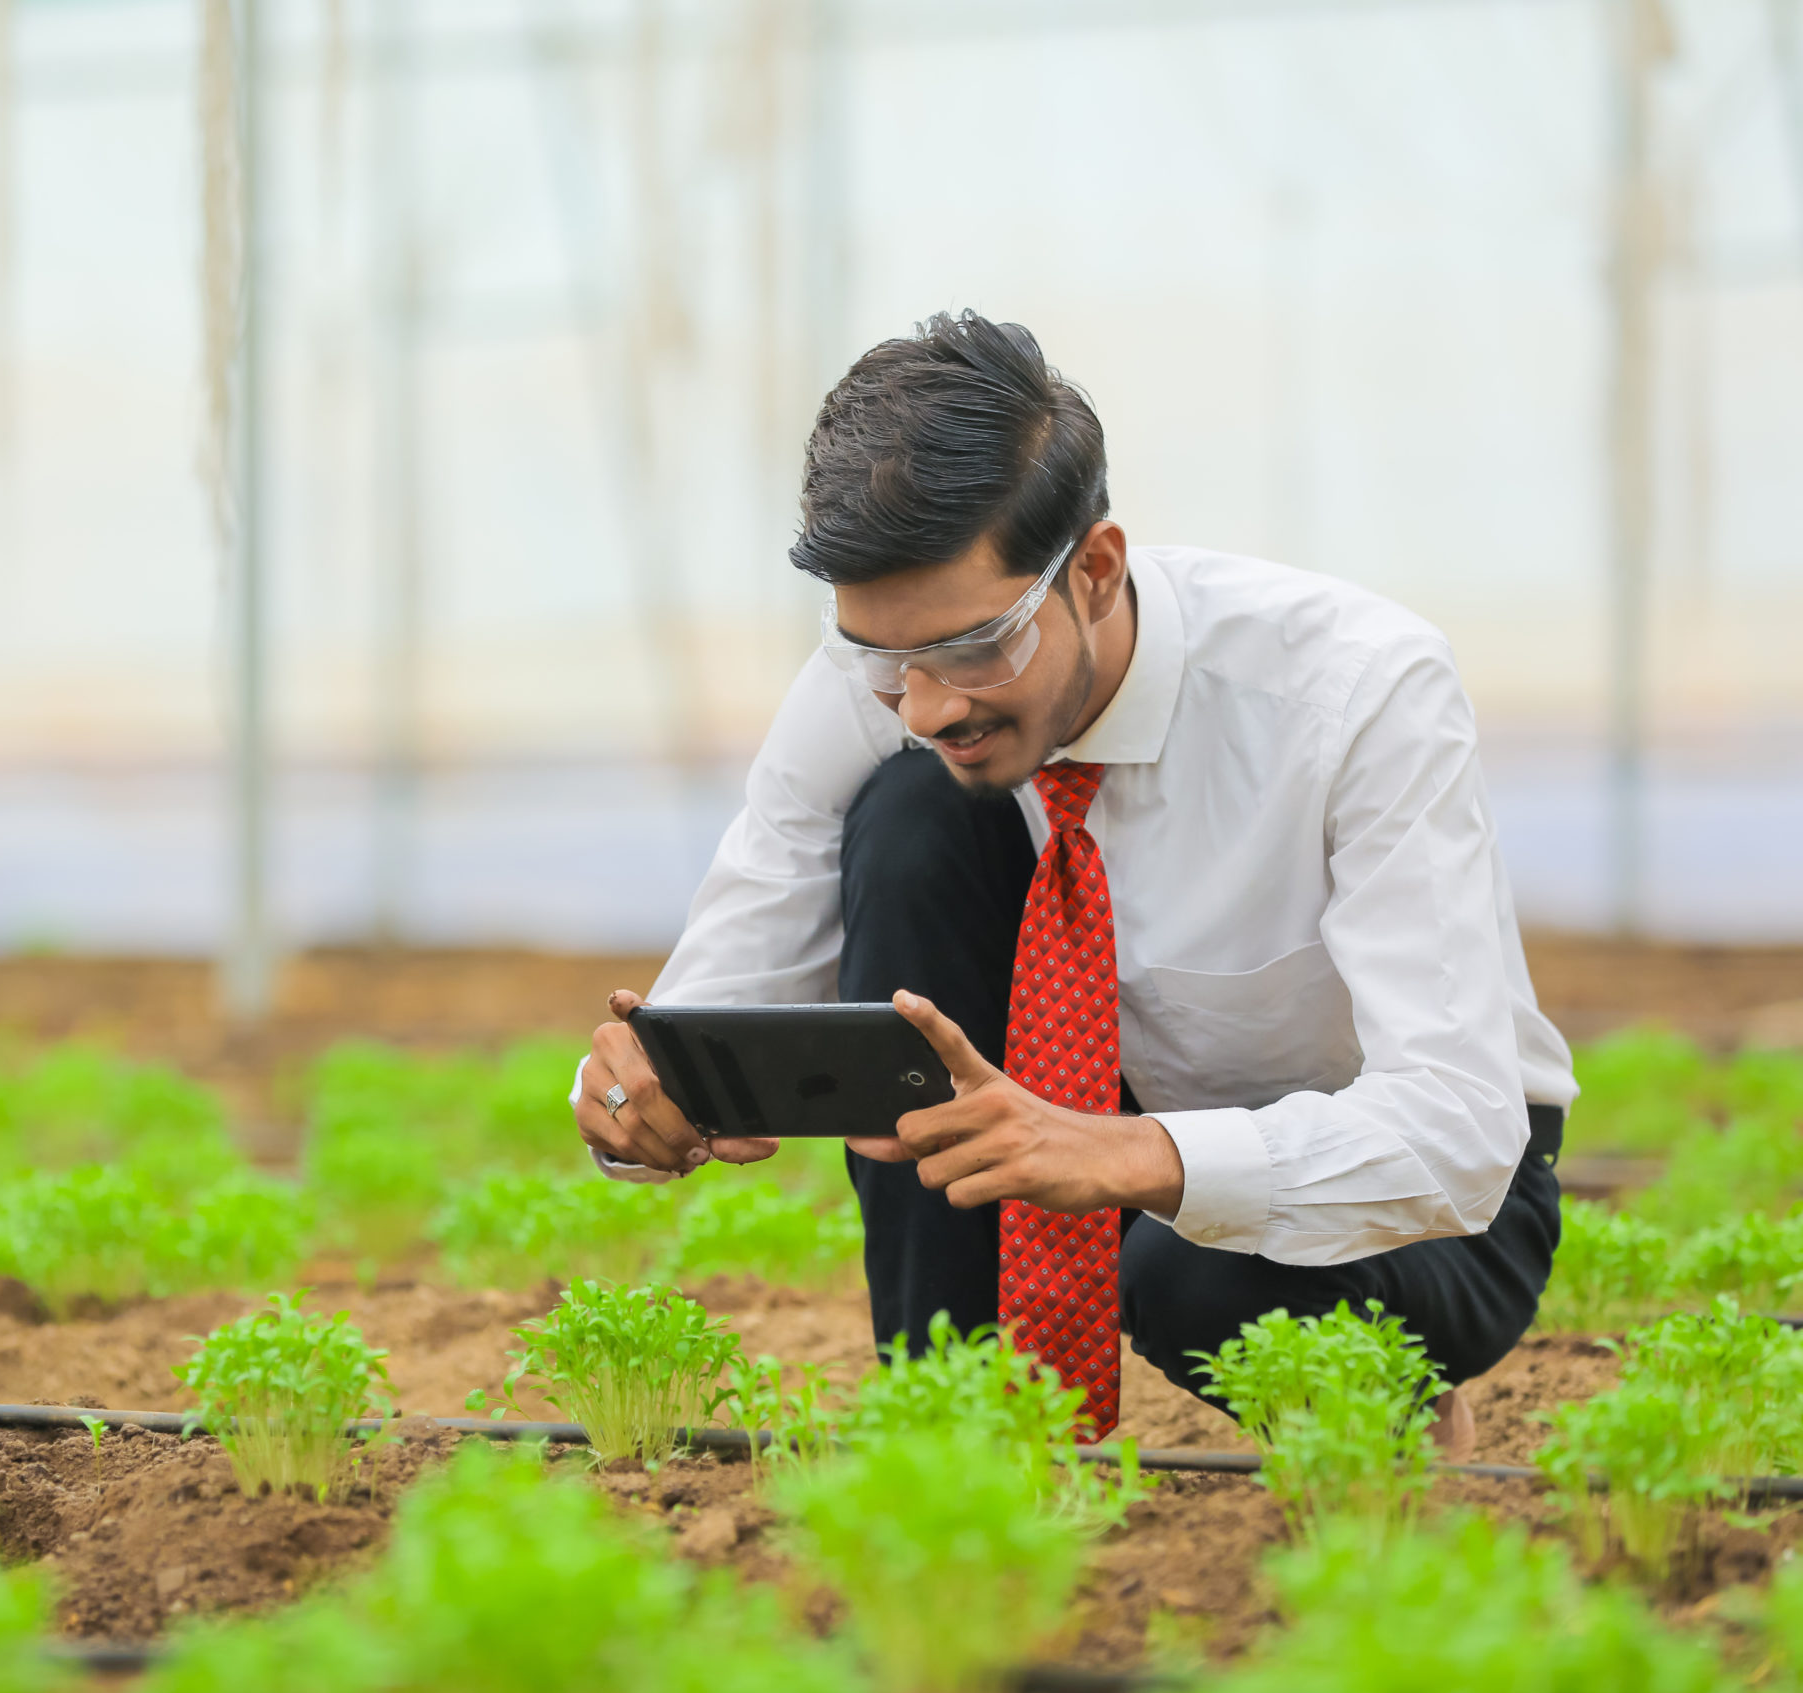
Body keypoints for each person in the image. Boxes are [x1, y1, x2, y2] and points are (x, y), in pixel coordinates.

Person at [572, 311, 1574, 1452]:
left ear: (1093, 571)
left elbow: (1456, 1129)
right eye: (884, 659)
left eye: (973, 647)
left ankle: (1384, 1406)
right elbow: (722, 991)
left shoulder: (1356, 691)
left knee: (1192, 1274)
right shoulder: (881, 681)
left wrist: (1125, 1155)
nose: (929, 702)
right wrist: (635, 1092)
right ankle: (958, 1429)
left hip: (1428, 1204)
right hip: (1102, 1106)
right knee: (911, 818)